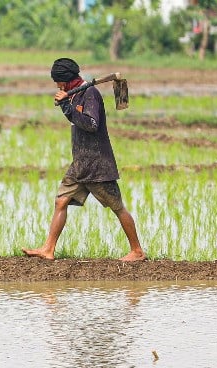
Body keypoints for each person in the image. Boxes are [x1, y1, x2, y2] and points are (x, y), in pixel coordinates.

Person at [23, 58, 146, 262]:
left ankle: (137, 251)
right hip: (80, 164)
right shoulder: (77, 94)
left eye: (59, 82)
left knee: (117, 207)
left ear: (67, 81)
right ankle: (48, 249)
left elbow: (91, 124)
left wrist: (66, 106)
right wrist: (67, 105)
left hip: (97, 165)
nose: (57, 86)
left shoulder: (90, 94)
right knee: (61, 201)